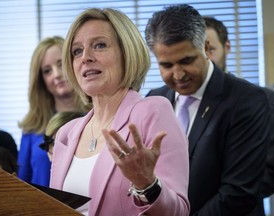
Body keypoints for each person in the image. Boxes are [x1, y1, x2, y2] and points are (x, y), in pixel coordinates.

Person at [50, 8, 190, 216]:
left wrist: (147, 184)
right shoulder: (66, 134)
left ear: (127, 52)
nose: (85, 57)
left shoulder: (152, 112)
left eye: (99, 45)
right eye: (77, 51)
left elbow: (179, 212)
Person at [145, 4, 270, 215]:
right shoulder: (154, 100)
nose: (178, 74)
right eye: (166, 65)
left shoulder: (247, 100)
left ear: (205, 47)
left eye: (186, 61)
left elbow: (238, 193)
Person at [204, 16, 274, 200]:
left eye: (211, 50)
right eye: (198, 52)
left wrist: (227, 200)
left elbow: (270, 174)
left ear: (227, 47)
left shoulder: (260, 99)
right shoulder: (171, 100)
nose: (204, 59)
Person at [18, 36, 87, 187]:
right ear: (41, 81)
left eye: (61, 64)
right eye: (47, 71)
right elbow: (21, 183)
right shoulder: (32, 128)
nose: (56, 74)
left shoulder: (98, 117)